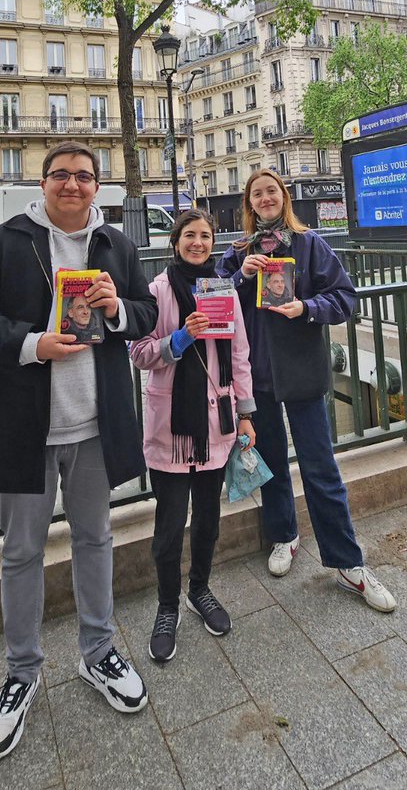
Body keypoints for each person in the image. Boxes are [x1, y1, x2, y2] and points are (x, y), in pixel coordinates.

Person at [0, 141, 158, 760]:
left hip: (95, 427)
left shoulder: (115, 245)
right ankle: (22, 672)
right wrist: (31, 343)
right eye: (62, 175)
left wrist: (119, 308)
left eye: (84, 177)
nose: (73, 185)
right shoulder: (9, 239)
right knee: (21, 553)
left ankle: (98, 652)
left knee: (95, 539)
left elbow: (146, 315)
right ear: (43, 183)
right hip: (25, 427)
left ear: (98, 187)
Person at [216, 169, 396, 613]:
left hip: (302, 373)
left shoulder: (311, 245)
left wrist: (306, 308)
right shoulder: (238, 252)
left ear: (284, 197)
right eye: (257, 194)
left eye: (271, 191)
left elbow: (345, 297)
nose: (264, 199)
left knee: (320, 467)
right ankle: (284, 536)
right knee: (272, 463)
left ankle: (349, 562)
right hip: (256, 376)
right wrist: (240, 275)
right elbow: (213, 302)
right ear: (249, 203)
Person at [130, 209, 256, 663]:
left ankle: (199, 590)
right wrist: (180, 339)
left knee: (208, 520)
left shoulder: (223, 290)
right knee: (168, 529)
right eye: (190, 235)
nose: (198, 242)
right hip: (172, 428)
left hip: (217, 423)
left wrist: (245, 413)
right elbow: (139, 352)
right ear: (175, 241)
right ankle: (167, 606)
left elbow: (239, 354)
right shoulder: (157, 291)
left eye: (205, 236)